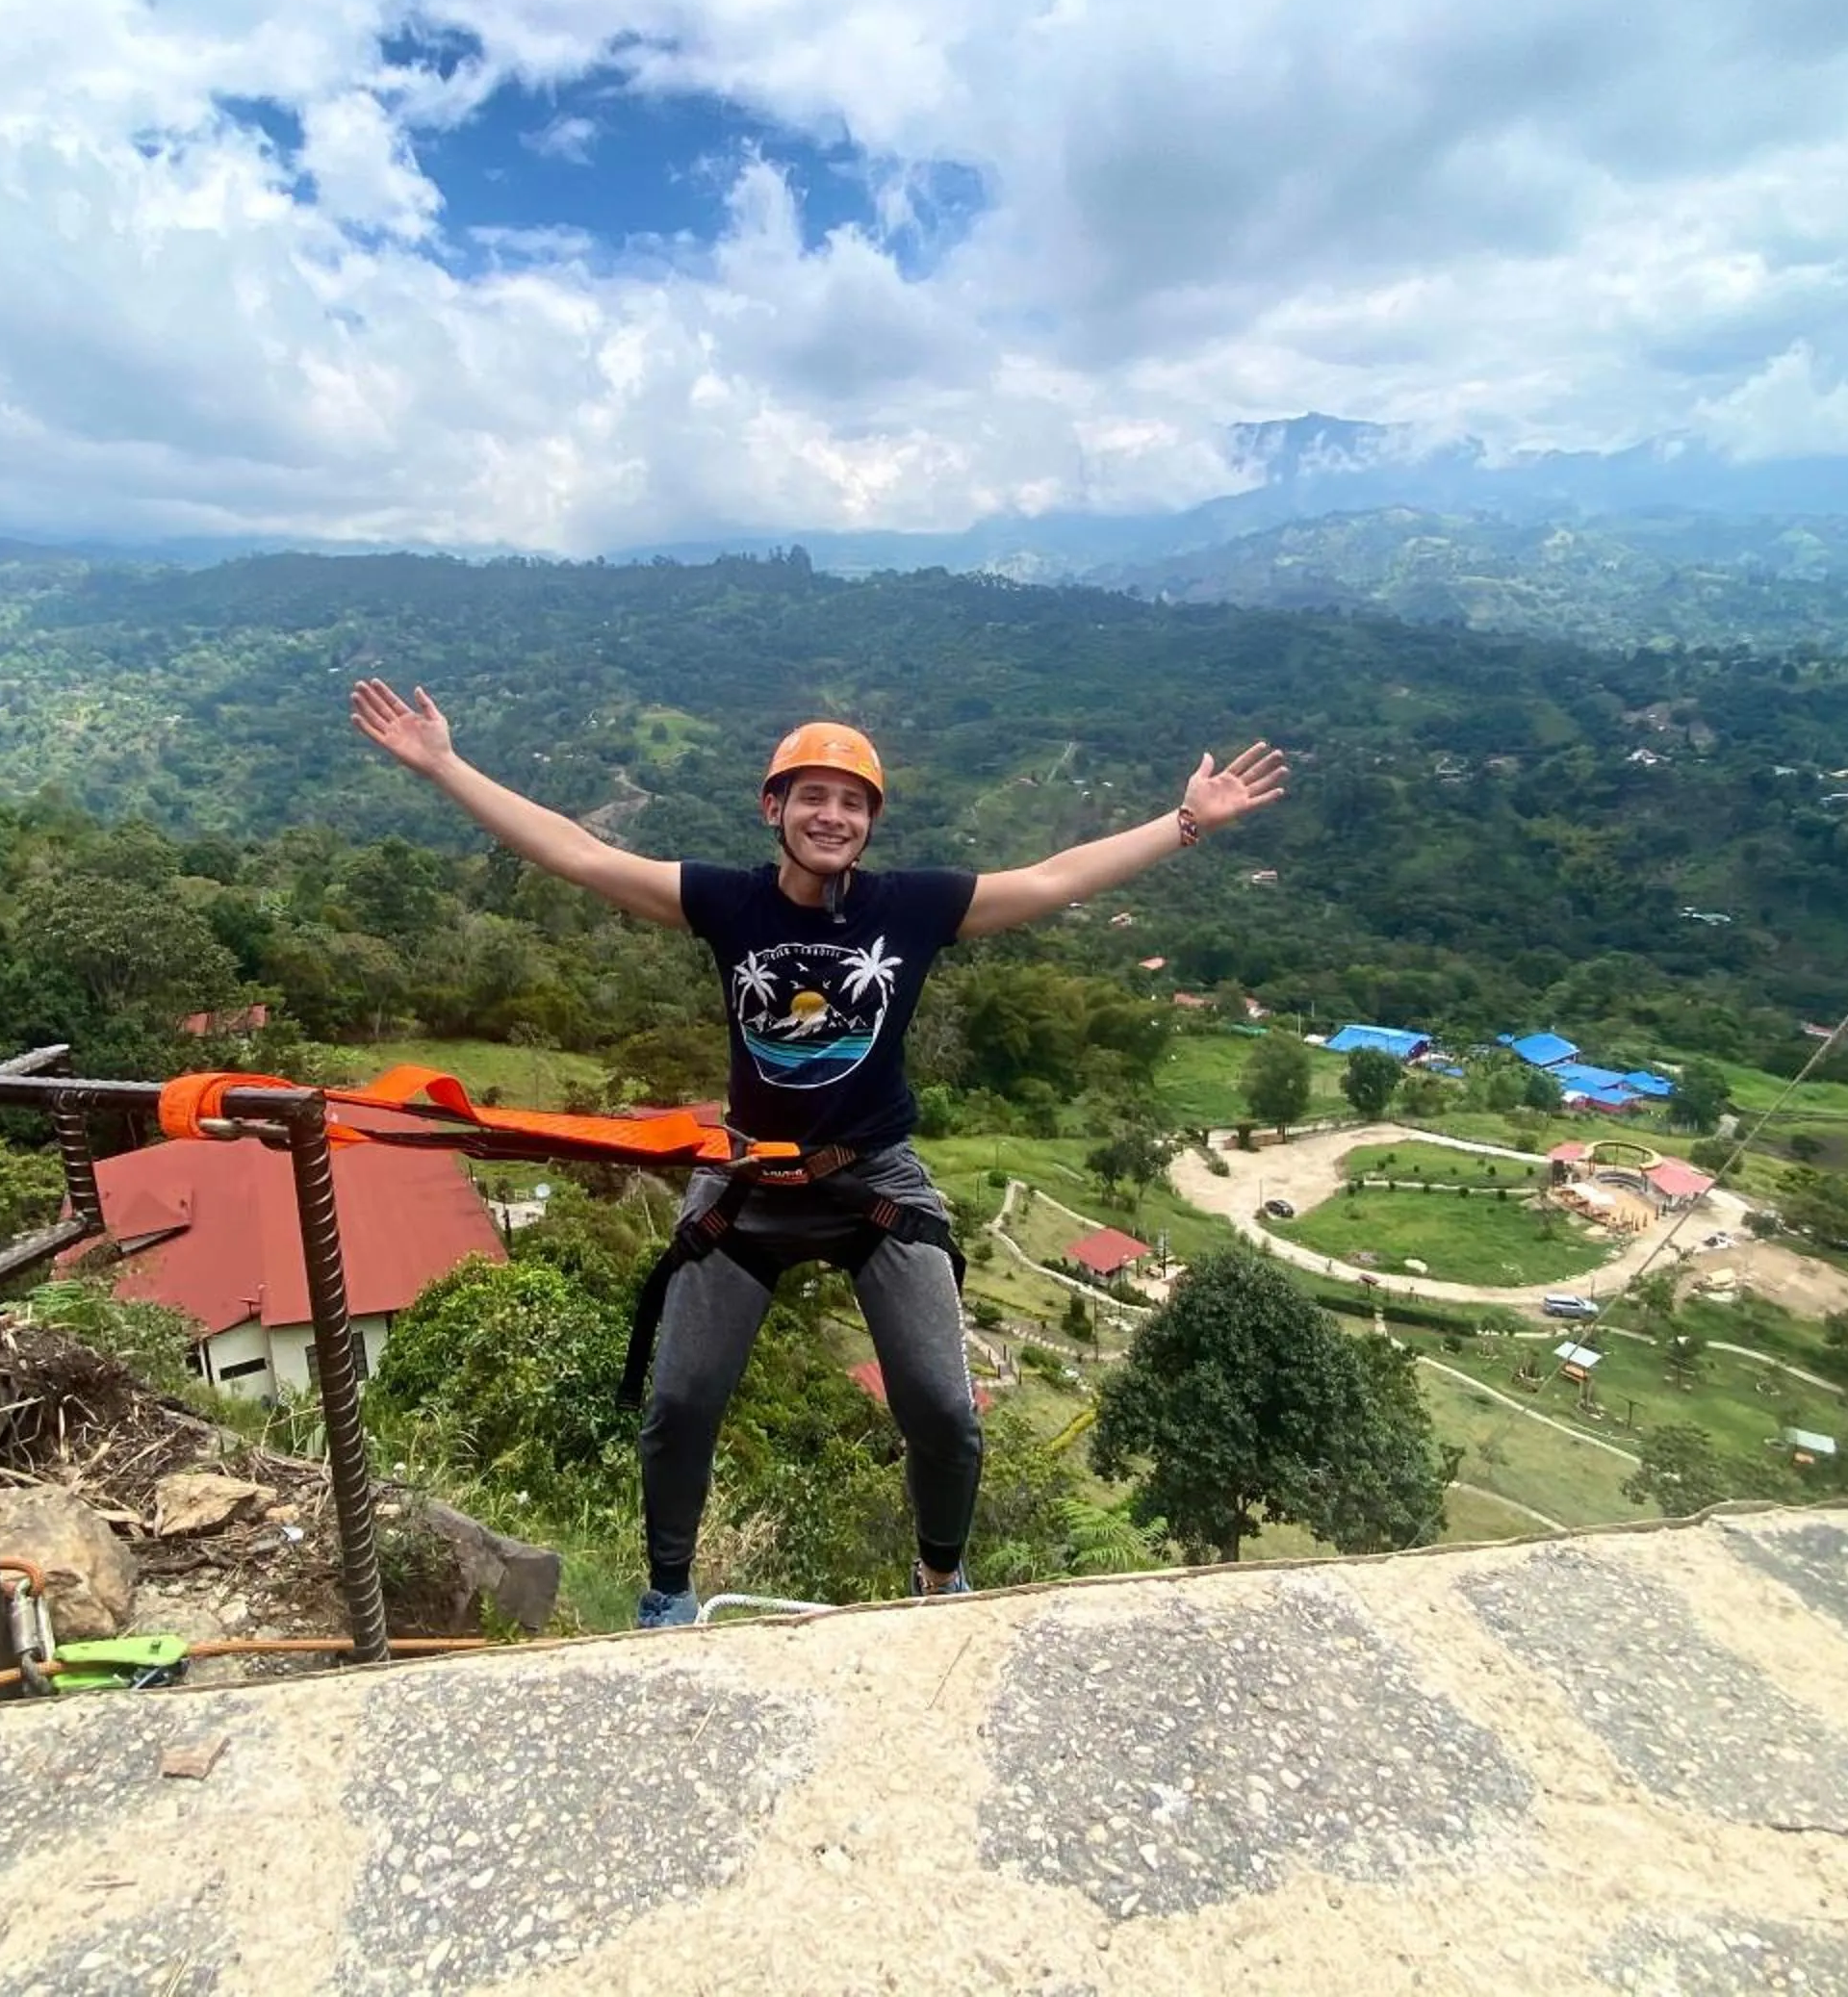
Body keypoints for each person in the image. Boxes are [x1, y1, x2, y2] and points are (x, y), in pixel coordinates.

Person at [350, 682, 1286, 1625]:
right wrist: (443, 765)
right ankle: (669, 1595)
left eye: (852, 802)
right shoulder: (729, 903)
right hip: (747, 1176)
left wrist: (1186, 824)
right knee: (679, 1406)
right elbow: (581, 854)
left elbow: (1053, 879)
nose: (832, 815)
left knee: (944, 1412)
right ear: (775, 809)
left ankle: (939, 1581)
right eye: (812, 796)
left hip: (871, 1176)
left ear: (869, 822)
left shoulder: (912, 910)